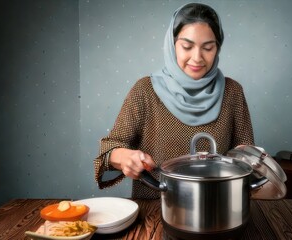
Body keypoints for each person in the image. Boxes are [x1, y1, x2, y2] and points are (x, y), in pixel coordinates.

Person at [94, 3, 254, 199]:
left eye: (208, 48)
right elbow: (108, 151)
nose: (197, 58)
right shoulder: (145, 90)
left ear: (218, 48)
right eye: (187, 46)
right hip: (153, 207)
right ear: (172, 44)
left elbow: (245, 150)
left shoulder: (232, 92)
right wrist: (124, 157)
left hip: (217, 208)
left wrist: (247, 157)